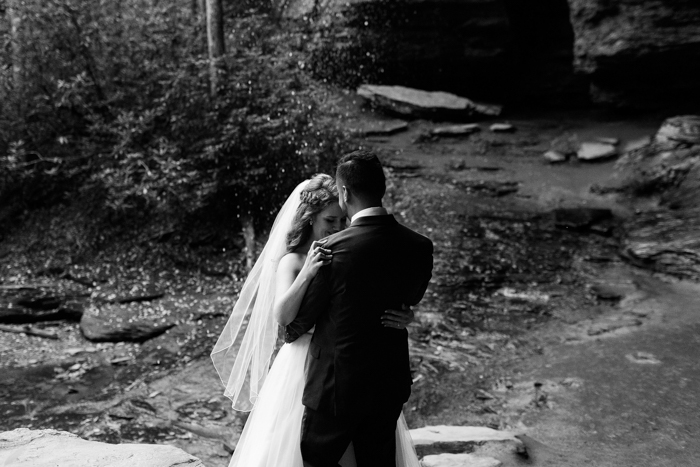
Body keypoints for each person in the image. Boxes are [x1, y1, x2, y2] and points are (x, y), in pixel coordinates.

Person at [211, 173, 420, 467]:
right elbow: (282, 316)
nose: (336, 228)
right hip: (302, 365)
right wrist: (307, 272)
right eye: (329, 221)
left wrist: (405, 314)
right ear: (311, 219)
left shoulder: (346, 253)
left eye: (341, 221)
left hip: (348, 367)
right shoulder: (293, 260)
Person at [285, 150, 434, 467]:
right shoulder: (420, 247)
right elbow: (410, 299)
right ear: (382, 188)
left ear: (344, 192)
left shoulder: (331, 249)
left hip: (335, 387)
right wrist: (408, 316)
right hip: (388, 382)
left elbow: (296, 324)